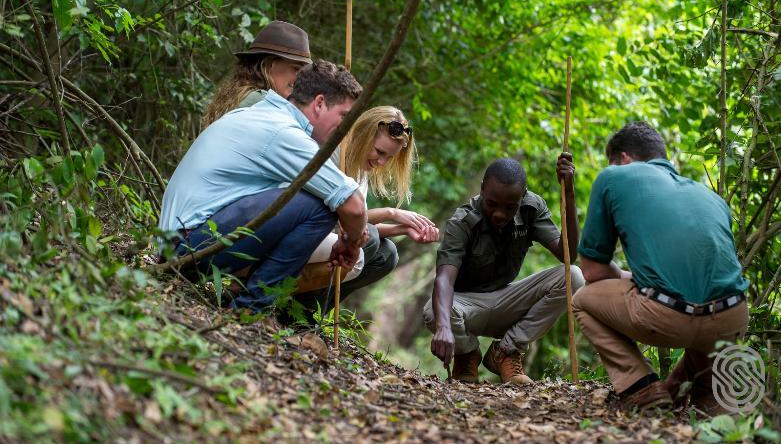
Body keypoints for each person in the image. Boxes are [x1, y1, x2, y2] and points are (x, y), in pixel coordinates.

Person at [158, 60, 367, 311]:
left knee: (314, 195)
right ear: (320, 103)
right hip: (191, 247)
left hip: (181, 245)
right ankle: (252, 308)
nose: (344, 130)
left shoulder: (263, 114)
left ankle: (248, 302)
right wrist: (351, 242)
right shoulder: (283, 132)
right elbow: (353, 205)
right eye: (344, 117)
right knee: (323, 204)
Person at [572, 122, 749, 412]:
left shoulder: (615, 176)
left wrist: (622, 275)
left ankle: (641, 388)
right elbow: (699, 301)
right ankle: (701, 397)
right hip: (732, 319)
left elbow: (591, 272)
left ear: (624, 159)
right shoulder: (711, 197)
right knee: (701, 320)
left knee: (582, 299)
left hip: (666, 317)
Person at [426, 156, 584, 384]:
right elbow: (444, 279)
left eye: (510, 207)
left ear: (522, 197)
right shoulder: (462, 221)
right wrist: (443, 328)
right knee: (434, 312)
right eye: (492, 204)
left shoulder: (532, 208)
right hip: (467, 307)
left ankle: (504, 351)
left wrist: (568, 194)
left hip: (507, 301)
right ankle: (467, 355)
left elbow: (567, 253)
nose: (499, 214)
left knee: (574, 276)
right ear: (482, 189)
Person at [295, 106, 440, 310]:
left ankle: (307, 314)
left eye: (389, 157)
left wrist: (403, 230)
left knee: (387, 254)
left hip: (329, 238)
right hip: (300, 234)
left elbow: (354, 226)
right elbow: (346, 221)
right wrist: (392, 213)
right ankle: (295, 305)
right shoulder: (333, 152)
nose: (381, 162)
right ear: (363, 134)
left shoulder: (361, 171)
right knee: (369, 239)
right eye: (379, 152)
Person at [201, 20, 311, 129]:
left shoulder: (241, 95)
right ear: (269, 64)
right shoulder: (261, 103)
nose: (299, 77)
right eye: (296, 69)